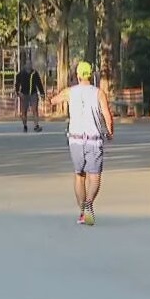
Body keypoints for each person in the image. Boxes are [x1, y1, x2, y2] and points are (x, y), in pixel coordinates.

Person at [51, 61, 113, 225]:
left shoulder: (70, 92)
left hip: (76, 139)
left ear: (77, 76)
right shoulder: (98, 93)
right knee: (95, 177)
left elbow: (53, 101)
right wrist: (110, 131)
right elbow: (107, 115)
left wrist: (63, 95)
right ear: (91, 75)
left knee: (79, 175)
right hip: (94, 139)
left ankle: (82, 212)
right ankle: (89, 203)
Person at [16, 62, 46, 133]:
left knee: (35, 110)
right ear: (25, 65)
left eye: (30, 64)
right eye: (27, 64)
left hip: (33, 94)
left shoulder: (35, 73)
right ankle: (25, 126)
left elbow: (39, 83)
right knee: (23, 112)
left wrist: (42, 93)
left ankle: (36, 126)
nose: (29, 65)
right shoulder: (21, 74)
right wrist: (18, 93)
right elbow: (17, 84)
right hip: (24, 94)